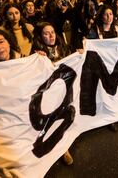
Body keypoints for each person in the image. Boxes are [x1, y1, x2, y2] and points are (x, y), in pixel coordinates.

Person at [30, 23, 74, 165]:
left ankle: (64, 147)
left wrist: (79, 54)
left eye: (53, 32)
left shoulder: (63, 47)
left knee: (65, 118)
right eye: (46, 33)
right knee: (51, 122)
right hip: (48, 96)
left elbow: (73, 62)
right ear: (40, 37)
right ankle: (54, 149)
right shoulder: (36, 53)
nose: (51, 36)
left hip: (64, 92)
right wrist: (36, 59)